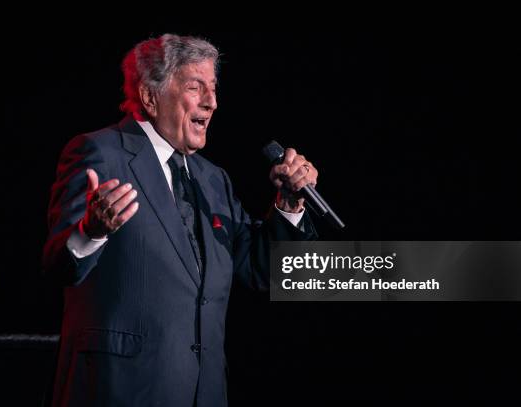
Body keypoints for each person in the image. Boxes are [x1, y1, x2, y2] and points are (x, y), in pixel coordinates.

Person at [43, 33, 319, 407]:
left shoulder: (213, 180)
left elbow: (262, 270)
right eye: (195, 87)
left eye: (214, 88)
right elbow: (59, 265)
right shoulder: (98, 153)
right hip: (119, 390)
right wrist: (91, 231)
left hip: (202, 394)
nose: (212, 101)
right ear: (150, 96)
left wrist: (288, 203)